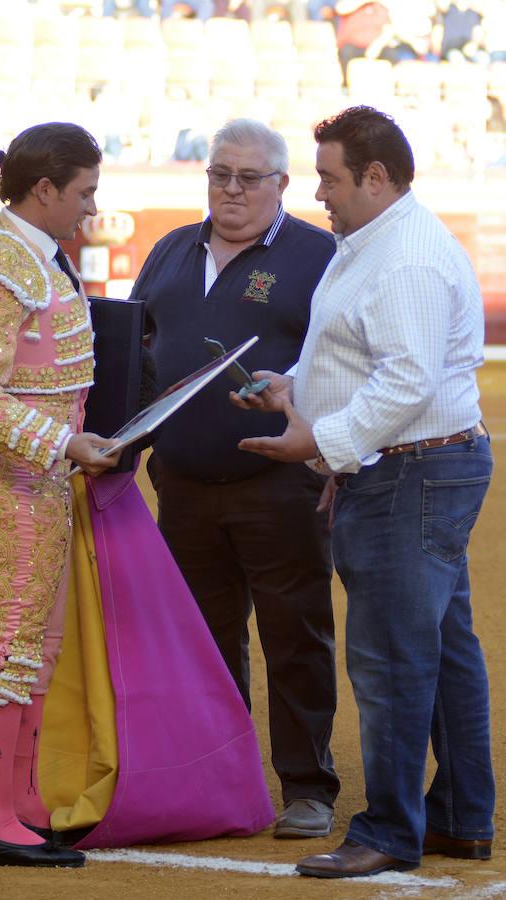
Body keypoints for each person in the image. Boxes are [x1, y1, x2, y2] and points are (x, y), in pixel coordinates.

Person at [233, 105, 494, 877]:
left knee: (389, 660)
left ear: (376, 178)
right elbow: (366, 360)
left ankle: (387, 829)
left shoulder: (402, 254)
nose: (320, 193)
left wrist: (325, 442)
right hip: (412, 466)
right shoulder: (380, 240)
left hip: (407, 470)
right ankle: (456, 818)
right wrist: (295, 390)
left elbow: (406, 379)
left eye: (330, 178)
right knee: (442, 654)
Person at [131, 117, 339, 839]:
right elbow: (137, 352)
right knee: (199, 643)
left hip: (279, 484)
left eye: (249, 177)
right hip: (183, 488)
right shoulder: (169, 250)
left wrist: (300, 398)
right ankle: (214, 779)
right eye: (219, 173)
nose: (231, 189)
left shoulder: (319, 254)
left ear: (282, 183)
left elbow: (346, 360)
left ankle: (307, 787)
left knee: (295, 637)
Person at [0, 122, 123, 868]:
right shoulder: (1, 261)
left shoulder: (22, 251)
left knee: (36, 644)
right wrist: (63, 442)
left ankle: (24, 803)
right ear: (45, 189)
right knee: (10, 638)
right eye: (84, 193)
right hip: (16, 472)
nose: (89, 207)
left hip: (39, 469)